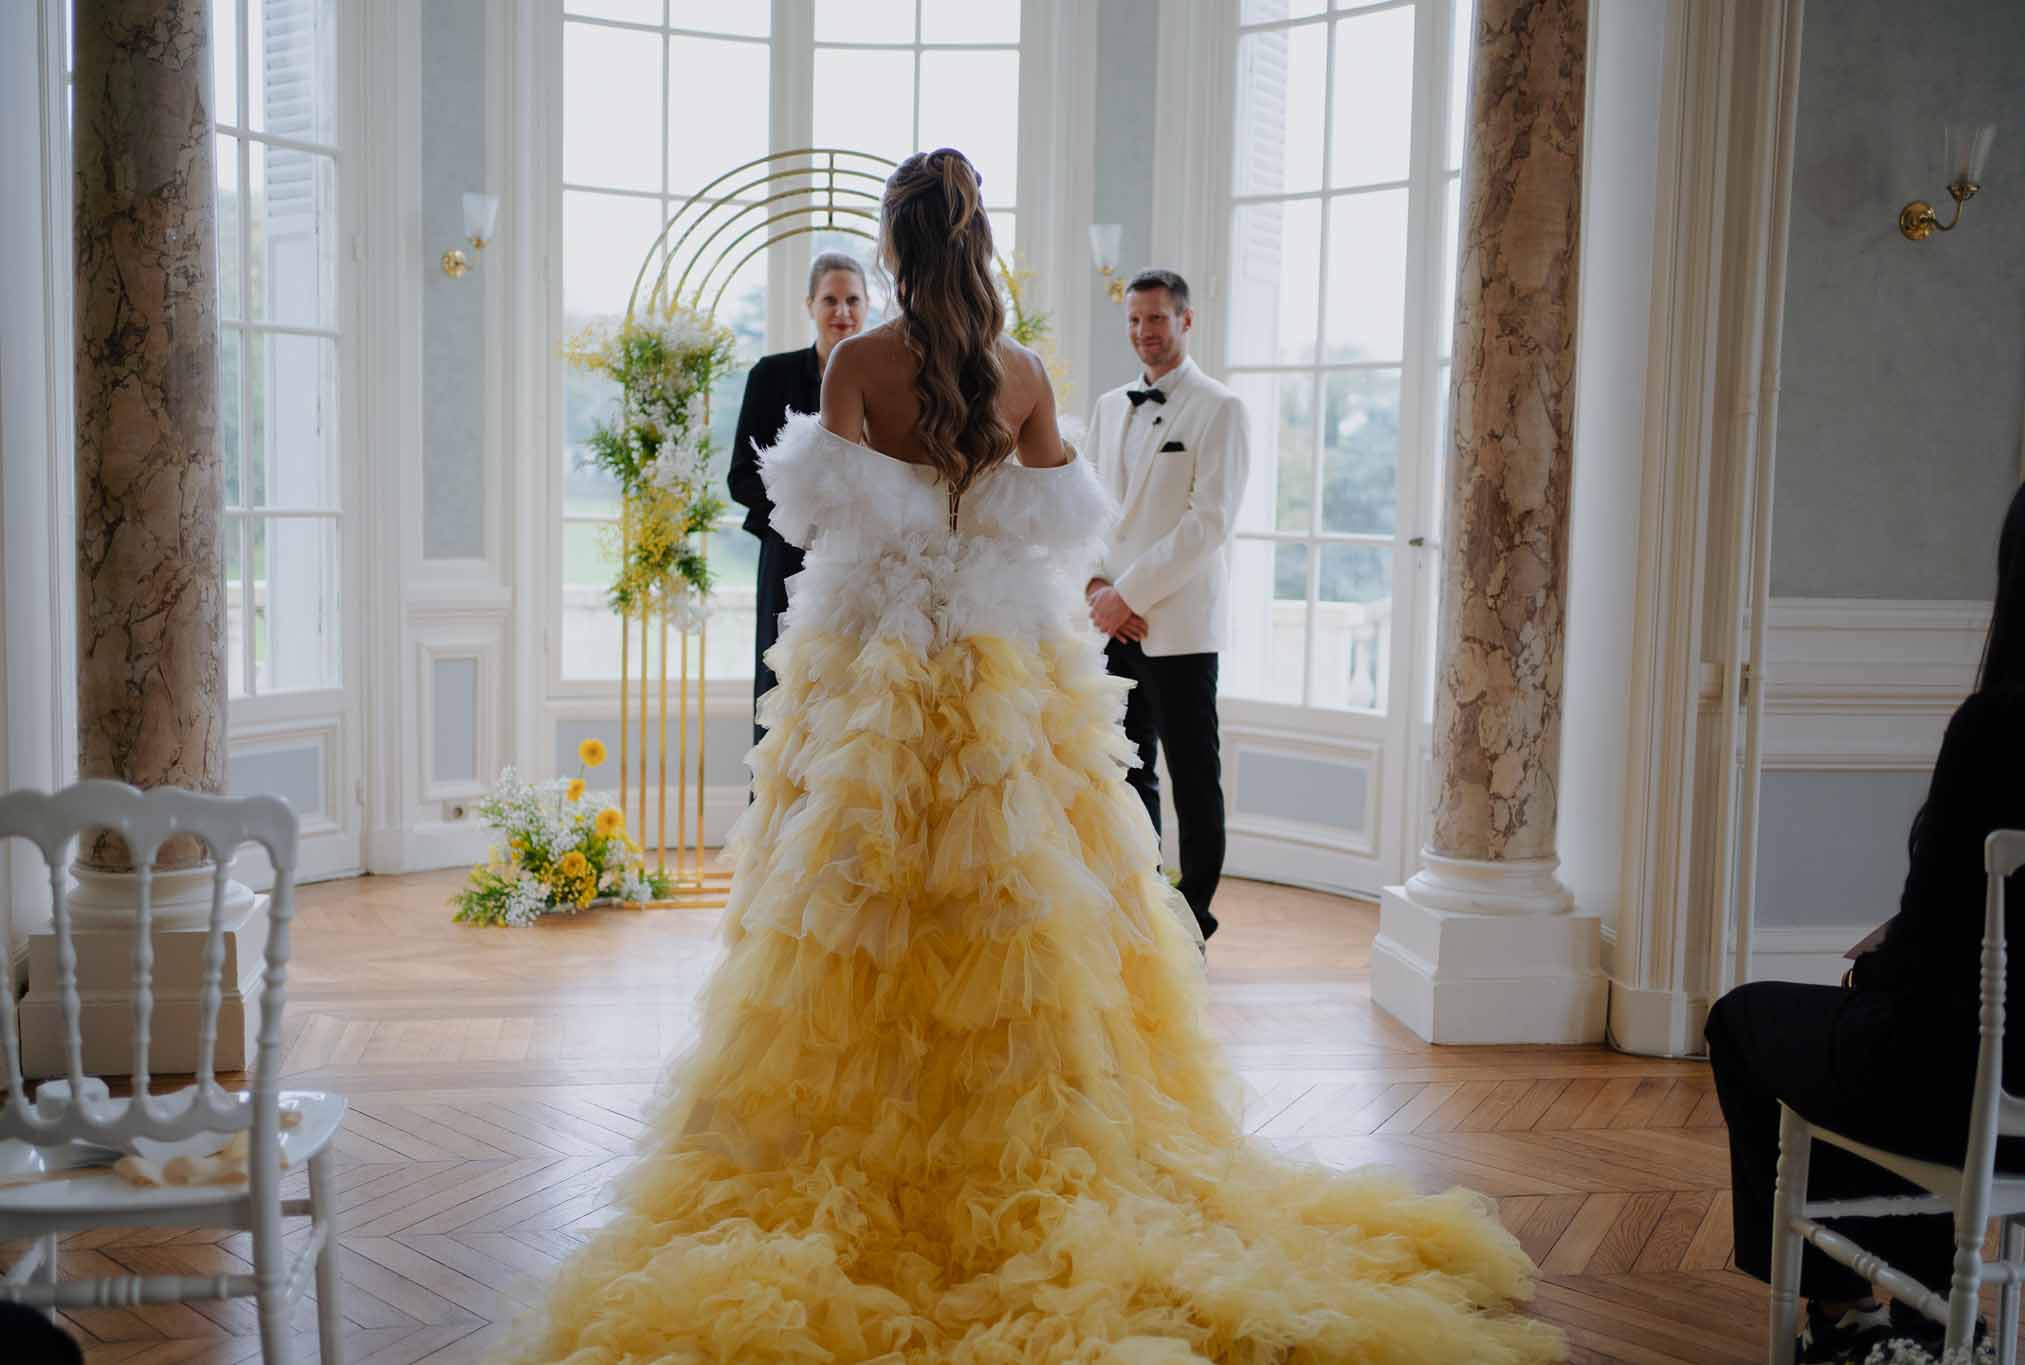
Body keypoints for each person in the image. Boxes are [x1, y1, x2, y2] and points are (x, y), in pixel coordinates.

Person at [509, 149, 1561, 1363]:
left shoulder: (853, 363)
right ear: (978, 242)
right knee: (1024, 898)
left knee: (852, 902)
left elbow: (816, 522)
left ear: (896, 250)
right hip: (1004, 672)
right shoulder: (1021, 372)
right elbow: (1061, 518)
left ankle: (861, 1137)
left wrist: (908, 524)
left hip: (877, 668)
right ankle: (1045, 1131)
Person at [1707, 459, 2025, 1363]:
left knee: (1748, 1023)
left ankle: (1848, 1309)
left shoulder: (1995, 730)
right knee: (1908, 1032)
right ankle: (1928, 1306)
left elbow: (1932, 953)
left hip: (1962, 1093)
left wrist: (1878, 963)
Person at [1079, 270, 1248, 942]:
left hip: (1178, 627)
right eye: (1134, 321)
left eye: (1157, 319)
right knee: (1127, 771)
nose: (1144, 333)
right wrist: (1095, 588)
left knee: (1192, 778)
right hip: (1109, 625)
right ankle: (1142, 903)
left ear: (1186, 320)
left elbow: (1208, 523)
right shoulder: (1106, 406)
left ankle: (1194, 918)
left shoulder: (1220, 408)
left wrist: (1130, 594)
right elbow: (1088, 507)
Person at [727, 251, 870, 745]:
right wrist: (805, 520)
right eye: (830, 299)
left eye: (853, 300)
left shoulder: (886, 383)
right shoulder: (770, 376)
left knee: (852, 696)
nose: (842, 312)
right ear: (809, 305)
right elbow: (740, 478)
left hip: (861, 564)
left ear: (869, 306)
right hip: (787, 557)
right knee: (782, 691)